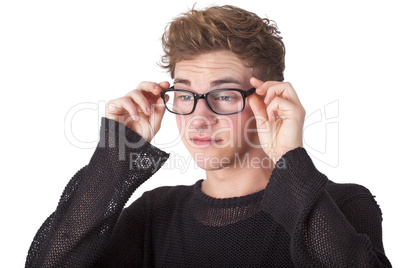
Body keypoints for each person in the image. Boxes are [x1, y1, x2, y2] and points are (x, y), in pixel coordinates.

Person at [25, 5, 392, 267]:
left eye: (224, 95)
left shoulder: (342, 206)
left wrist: (289, 158)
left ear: (268, 100)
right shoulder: (155, 215)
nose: (199, 117)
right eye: (185, 95)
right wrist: (117, 154)